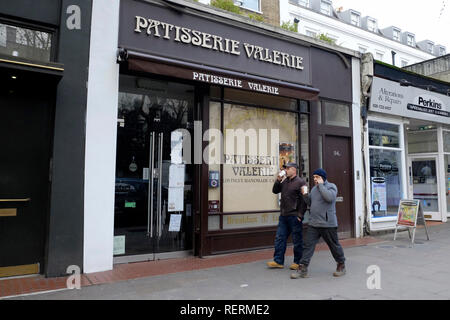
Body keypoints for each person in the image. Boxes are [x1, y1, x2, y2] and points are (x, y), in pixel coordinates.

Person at [291, 168, 346, 279]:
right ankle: (303, 268)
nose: (315, 179)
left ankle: (341, 264)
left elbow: (329, 198)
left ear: (323, 178)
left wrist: (321, 185)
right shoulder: (314, 189)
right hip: (314, 223)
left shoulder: (331, 186)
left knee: (334, 246)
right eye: (314, 177)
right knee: (307, 246)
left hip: (328, 223)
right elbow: (310, 203)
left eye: (317, 177)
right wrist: (305, 195)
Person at [267, 162, 307, 270]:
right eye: (285, 169)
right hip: (284, 215)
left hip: (294, 216)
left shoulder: (301, 182)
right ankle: (278, 261)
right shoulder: (284, 181)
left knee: (297, 239)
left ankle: (297, 262)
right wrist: (278, 180)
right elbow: (275, 190)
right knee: (280, 238)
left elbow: (305, 200)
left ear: (294, 170)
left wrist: (300, 215)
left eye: (288, 168)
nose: (286, 170)